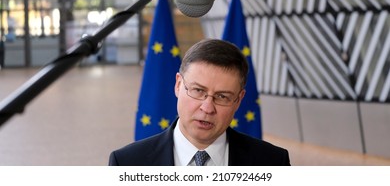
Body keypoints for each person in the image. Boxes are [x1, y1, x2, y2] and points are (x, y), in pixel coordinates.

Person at [109, 38, 290, 166]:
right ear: (178, 85)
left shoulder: (273, 162)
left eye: (222, 97)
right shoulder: (127, 163)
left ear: (238, 100)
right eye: (198, 91)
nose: (207, 108)